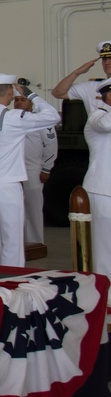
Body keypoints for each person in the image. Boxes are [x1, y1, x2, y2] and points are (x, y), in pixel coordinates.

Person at [0, 74, 60, 267]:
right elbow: (52, 116)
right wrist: (31, 95)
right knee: (12, 237)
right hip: (7, 183)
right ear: (9, 92)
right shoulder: (14, 117)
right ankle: (9, 279)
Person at [13, 94, 57, 245]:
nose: (18, 103)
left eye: (22, 100)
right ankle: (17, 241)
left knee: (33, 207)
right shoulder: (10, 119)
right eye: (16, 100)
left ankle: (35, 242)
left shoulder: (40, 120)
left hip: (32, 168)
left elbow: (51, 145)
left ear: (31, 103)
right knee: (14, 207)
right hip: (12, 169)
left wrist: (46, 168)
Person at [82, 77, 111, 281]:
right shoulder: (97, 115)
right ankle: (106, 289)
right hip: (102, 188)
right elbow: (105, 125)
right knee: (103, 245)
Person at [51, 40, 111, 114]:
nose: (107, 63)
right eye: (104, 59)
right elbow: (58, 93)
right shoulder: (93, 87)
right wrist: (77, 72)